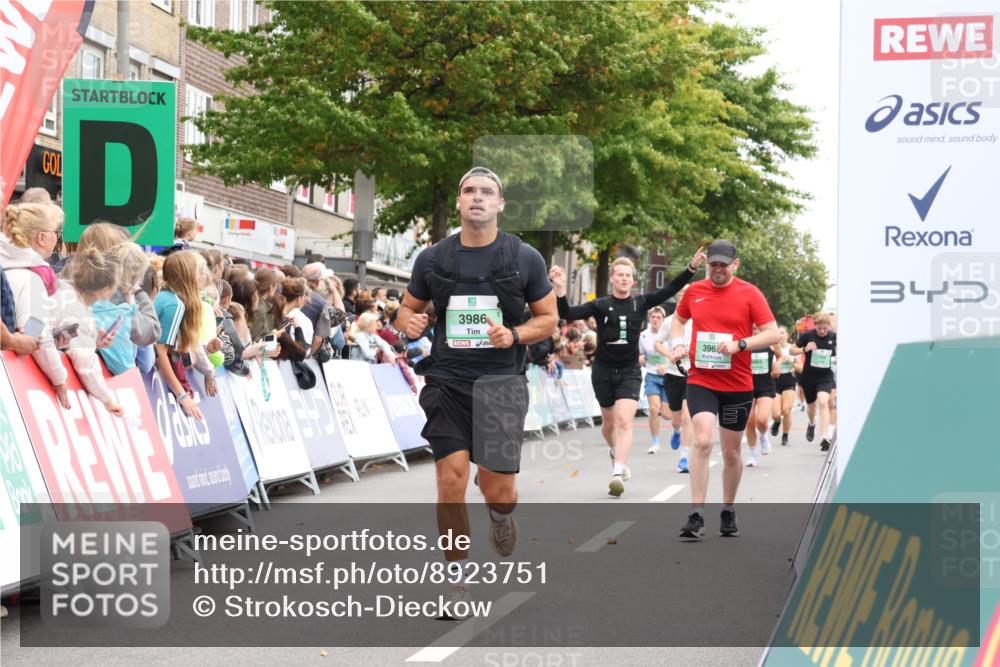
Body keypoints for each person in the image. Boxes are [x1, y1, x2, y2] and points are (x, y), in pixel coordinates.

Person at [396, 167, 557, 617]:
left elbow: (548, 319)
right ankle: (457, 584)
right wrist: (405, 322)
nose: (478, 198)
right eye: (469, 191)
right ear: (460, 202)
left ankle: (501, 515)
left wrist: (515, 334)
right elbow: (408, 309)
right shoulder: (432, 259)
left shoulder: (524, 258)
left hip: (501, 384)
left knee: (497, 490)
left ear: (501, 204)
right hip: (446, 380)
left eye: (487, 192)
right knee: (450, 480)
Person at [549, 248, 704, 497]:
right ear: (612, 278)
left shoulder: (640, 302)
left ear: (633, 280)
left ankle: (618, 472)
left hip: (630, 372)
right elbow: (568, 313)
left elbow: (669, 289)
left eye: (627, 275)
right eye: (619, 274)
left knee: (624, 421)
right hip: (602, 371)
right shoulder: (600, 305)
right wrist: (560, 289)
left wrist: (691, 267)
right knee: (609, 424)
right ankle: (615, 452)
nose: (623, 278)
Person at [670, 239, 781, 539]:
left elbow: (773, 333)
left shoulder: (750, 293)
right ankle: (696, 514)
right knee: (703, 440)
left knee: (732, 451)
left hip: (738, 383)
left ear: (735, 264)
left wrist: (740, 344)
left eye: (723, 264)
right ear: (706, 264)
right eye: (712, 264)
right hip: (701, 379)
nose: (717, 269)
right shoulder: (695, 291)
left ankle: (728, 509)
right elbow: (679, 321)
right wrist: (678, 343)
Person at [1, 202, 70, 406]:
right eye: (55, 231)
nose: (57, 238)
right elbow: (37, 335)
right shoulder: (33, 279)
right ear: (41, 237)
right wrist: (60, 378)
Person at [54, 248, 125, 415]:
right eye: (117, 283)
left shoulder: (69, 292)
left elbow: (72, 343)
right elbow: (84, 362)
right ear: (104, 287)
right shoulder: (75, 309)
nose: (118, 288)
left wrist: (94, 344)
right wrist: (108, 400)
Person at [154, 251, 213, 420]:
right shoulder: (174, 304)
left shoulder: (166, 297)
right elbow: (160, 353)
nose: (201, 275)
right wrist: (182, 395)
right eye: (197, 270)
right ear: (187, 274)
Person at [653, 286, 694, 472]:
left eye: (689, 295)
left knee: (688, 416)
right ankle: (676, 431)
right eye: (682, 295)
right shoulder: (670, 321)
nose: (685, 298)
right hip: (673, 374)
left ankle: (684, 458)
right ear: (678, 298)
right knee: (675, 418)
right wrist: (670, 355)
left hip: (693, 374)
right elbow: (657, 343)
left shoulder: (699, 320)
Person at [791, 311, 837, 452]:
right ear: (815, 326)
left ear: (829, 326)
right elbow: (792, 350)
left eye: (825, 328)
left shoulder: (834, 337)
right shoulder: (808, 336)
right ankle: (812, 423)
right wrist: (804, 349)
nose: (822, 331)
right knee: (811, 407)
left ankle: (825, 437)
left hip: (825, 376)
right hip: (809, 377)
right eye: (819, 328)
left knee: (823, 402)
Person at [639, 306, 673, 455]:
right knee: (653, 408)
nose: (655, 320)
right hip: (652, 376)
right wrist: (642, 360)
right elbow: (640, 354)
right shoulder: (643, 335)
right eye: (653, 317)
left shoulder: (668, 335)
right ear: (649, 318)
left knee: (666, 414)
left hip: (668, 376)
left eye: (658, 317)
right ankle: (655, 443)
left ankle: (677, 428)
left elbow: (676, 354)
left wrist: (666, 365)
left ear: (663, 320)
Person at [744, 324, 779, 467]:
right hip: (747, 386)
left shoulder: (770, 342)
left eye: (757, 327)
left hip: (765, 386)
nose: (755, 330)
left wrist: (776, 367)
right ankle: (753, 454)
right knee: (749, 421)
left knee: (762, 419)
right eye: (752, 327)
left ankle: (764, 435)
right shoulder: (743, 342)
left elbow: (780, 357)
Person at [770, 326, 797, 447]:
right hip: (775, 381)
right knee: (776, 414)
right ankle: (777, 421)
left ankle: (785, 436)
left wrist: (791, 362)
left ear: (787, 335)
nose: (780, 335)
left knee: (786, 410)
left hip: (789, 380)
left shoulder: (792, 349)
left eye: (782, 333)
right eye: (778, 333)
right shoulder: (771, 348)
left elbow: (801, 368)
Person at [250, 268, 282, 340]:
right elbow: (254, 340)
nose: (276, 289)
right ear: (271, 286)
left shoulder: (254, 300)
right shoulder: (259, 308)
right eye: (276, 286)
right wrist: (273, 336)